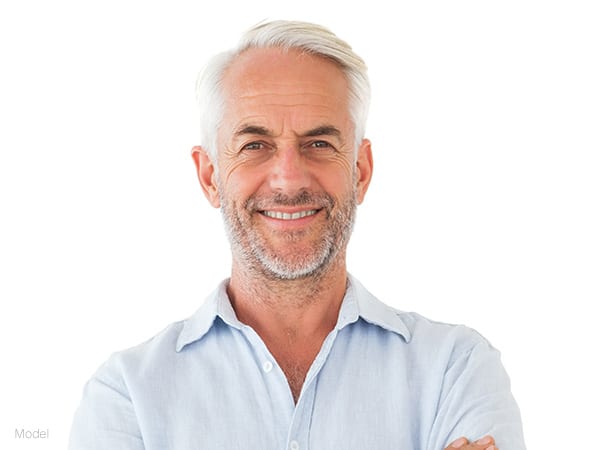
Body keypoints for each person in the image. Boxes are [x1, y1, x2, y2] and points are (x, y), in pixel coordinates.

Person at [69, 20, 526, 450]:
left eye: (319, 144)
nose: (288, 180)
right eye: (255, 146)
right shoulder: (127, 395)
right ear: (210, 177)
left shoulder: (458, 370)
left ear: (361, 171)